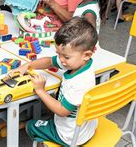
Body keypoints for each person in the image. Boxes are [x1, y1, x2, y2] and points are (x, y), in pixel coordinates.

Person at [14, 17, 98, 146]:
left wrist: (40, 90)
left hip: (70, 136)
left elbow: (62, 111)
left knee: (31, 125)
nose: (61, 60)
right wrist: (28, 65)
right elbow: (49, 61)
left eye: (65, 57)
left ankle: (44, 143)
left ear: (86, 54)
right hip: (84, 128)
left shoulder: (80, 81)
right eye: (58, 54)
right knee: (49, 114)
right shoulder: (79, 62)